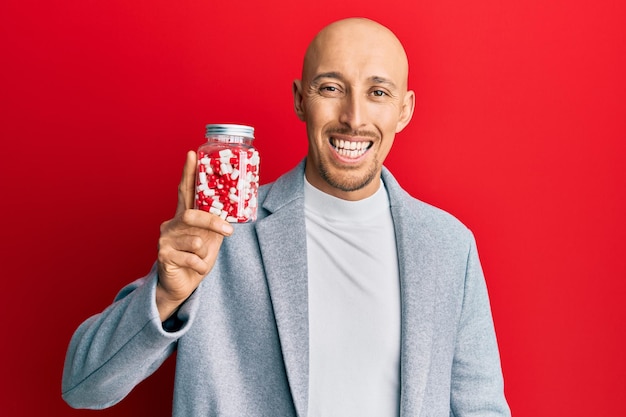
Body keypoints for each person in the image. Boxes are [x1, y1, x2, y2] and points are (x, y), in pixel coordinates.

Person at [62, 17, 510, 417]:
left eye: (377, 93)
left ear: (404, 110)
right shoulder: (223, 231)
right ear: (300, 99)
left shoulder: (449, 246)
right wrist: (165, 293)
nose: (353, 118)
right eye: (331, 88)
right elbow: (83, 386)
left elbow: (481, 407)